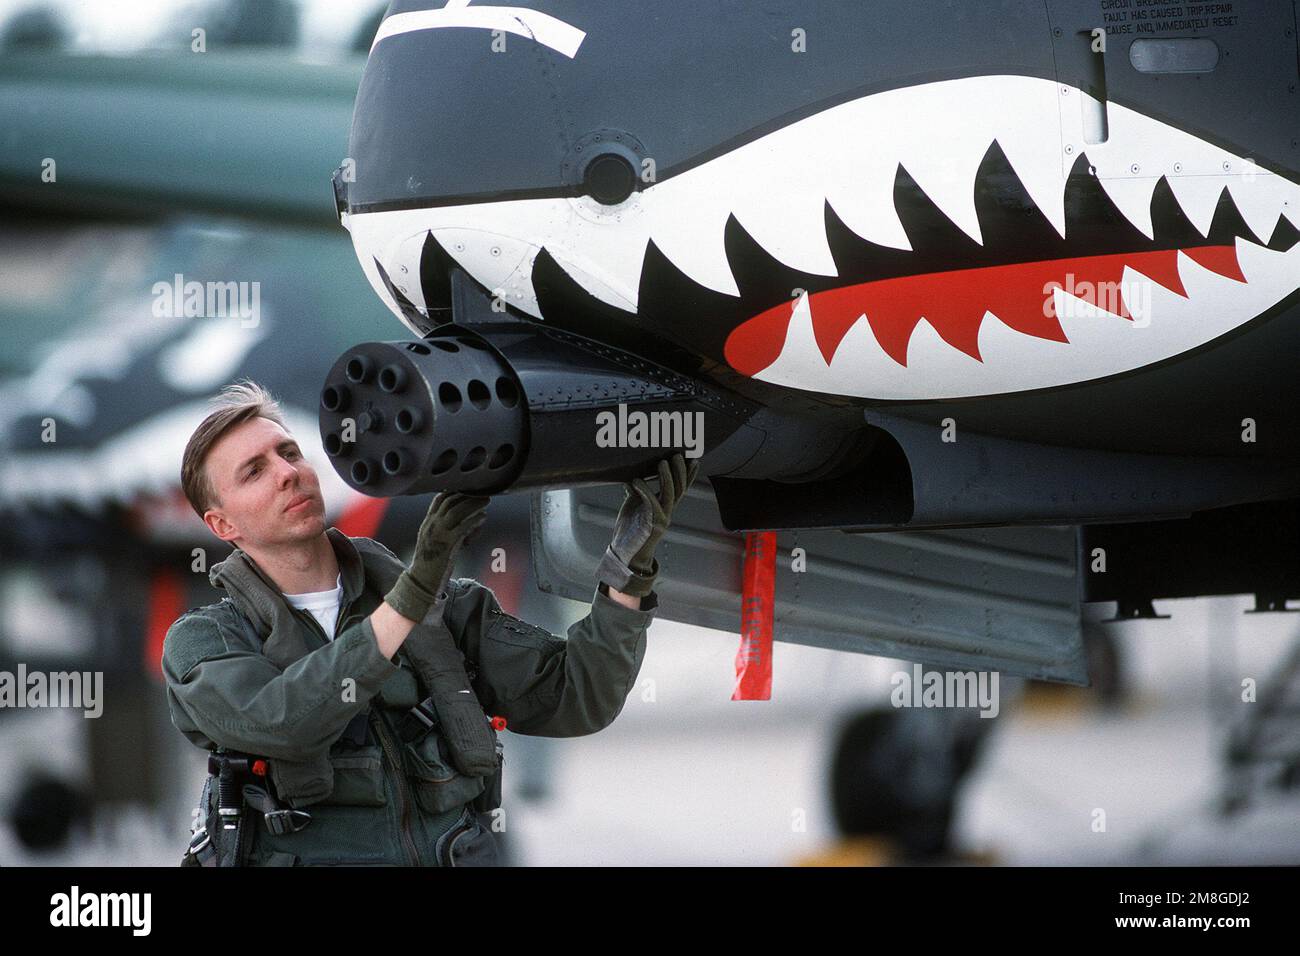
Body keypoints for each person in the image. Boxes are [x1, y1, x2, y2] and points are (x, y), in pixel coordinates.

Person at [163, 380, 697, 866]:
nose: (286, 473)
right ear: (221, 523)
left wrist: (626, 573)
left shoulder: (447, 611)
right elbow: (284, 722)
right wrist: (412, 596)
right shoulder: (205, 642)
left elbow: (579, 697)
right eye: (254, 471)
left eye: (289, 452)